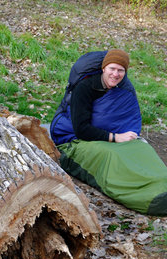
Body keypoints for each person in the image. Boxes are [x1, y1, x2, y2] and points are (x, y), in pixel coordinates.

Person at [50, 49, 167, 216]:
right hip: (75, 141)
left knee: (143, 149)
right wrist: (114, 137)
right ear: (104, 68)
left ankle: (162, 183)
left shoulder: (124, 89)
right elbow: (81, 129)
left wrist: (125, 137)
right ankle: (151, 198)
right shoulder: (84, 88)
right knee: (112, 157)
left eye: (121, 70)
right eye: (112, 68)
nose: (115, 74)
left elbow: (129, 118)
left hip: (110, 137)